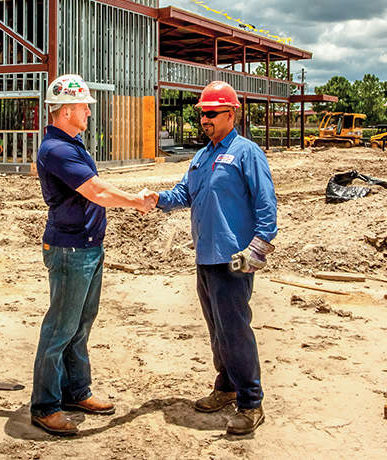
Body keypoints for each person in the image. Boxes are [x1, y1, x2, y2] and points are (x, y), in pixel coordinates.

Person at [145, 81, 278, 435]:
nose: (204, 119)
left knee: (235, 330)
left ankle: (251, 402)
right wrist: (157, 198)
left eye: (210, 113)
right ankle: (226, 387)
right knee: (218, 331)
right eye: (201, 113)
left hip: (233, 259)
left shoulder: (247, 152)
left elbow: (266, 203)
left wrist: (259, 247)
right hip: (205, 257)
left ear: (230, 114)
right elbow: (183, 194)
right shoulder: (202, 156)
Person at [30, 74, 155, 436]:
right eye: (84, 106)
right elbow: (96, 192)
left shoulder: (74, 143)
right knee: (60, 328)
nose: (88, 111)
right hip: (70, 249)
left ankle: (76, 391)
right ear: (67, 110)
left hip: (86, 246)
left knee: (80, 326)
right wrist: (136, 202)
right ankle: (45, 405)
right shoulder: (57, 150)